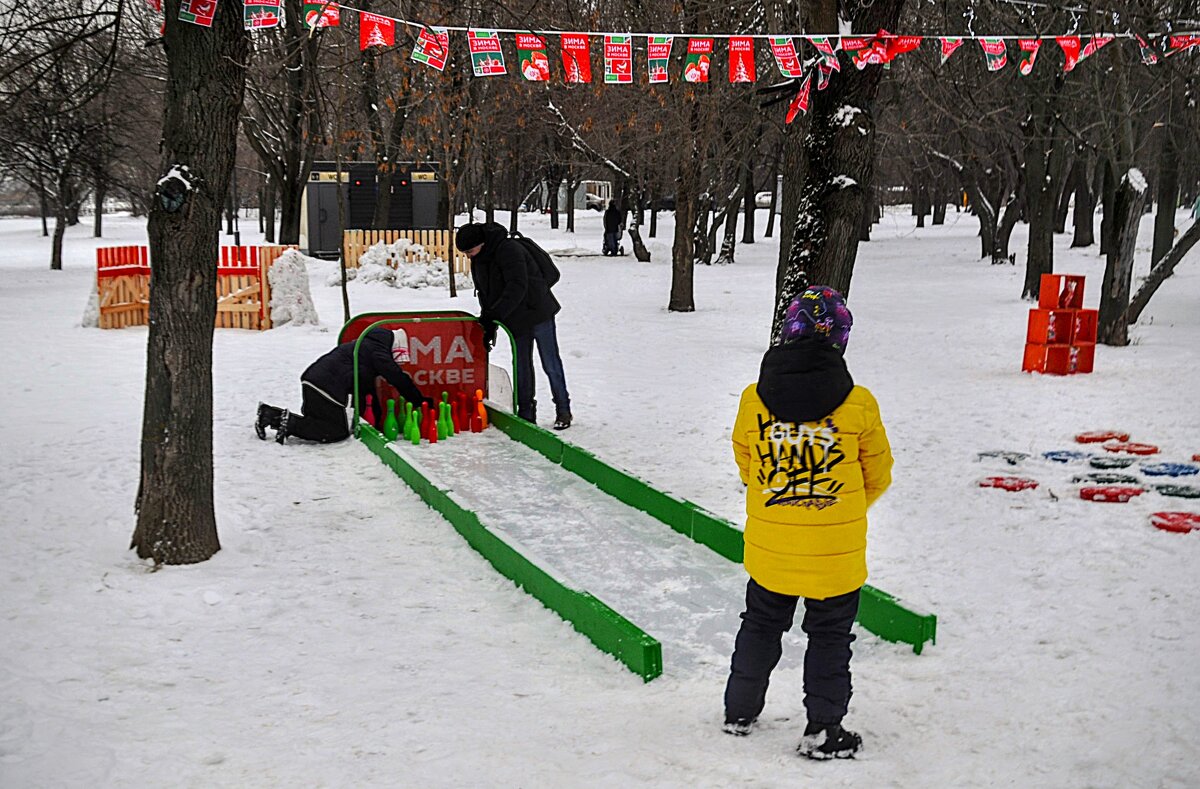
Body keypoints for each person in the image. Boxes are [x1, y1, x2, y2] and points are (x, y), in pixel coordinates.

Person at [723, 286, 893, 760]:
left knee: (759, 624)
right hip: (834, 557)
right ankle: (822, 730)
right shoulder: (858, 402)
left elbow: (745, 459)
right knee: (831, 637)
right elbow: (877, 474)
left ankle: (739, 711)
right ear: (839, 338)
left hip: (771, 547)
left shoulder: (755, 399)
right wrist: (838, 508)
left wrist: (778, 495)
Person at [455, 221, 573, 430]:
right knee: (521, 365)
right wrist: (489, 322)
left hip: (538, 312)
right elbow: (486, 294)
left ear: (481, 243)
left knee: (550, 362)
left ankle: (563, 409)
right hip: (514, 319)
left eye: (469, 251)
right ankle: (526, 413)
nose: (468, 256)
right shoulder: (479, 259)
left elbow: (517, 286)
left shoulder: (509, 249)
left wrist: (494, 315)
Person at [256, 327, 431, 444]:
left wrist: (375, 420)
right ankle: (289, 423)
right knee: (336, 431)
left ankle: (270, 414)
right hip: (324, 387)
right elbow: (398, 378)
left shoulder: (366, 347)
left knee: (319, 422)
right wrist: (418, 401)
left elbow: (365, 391)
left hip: (313, 380)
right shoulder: (378, 352)